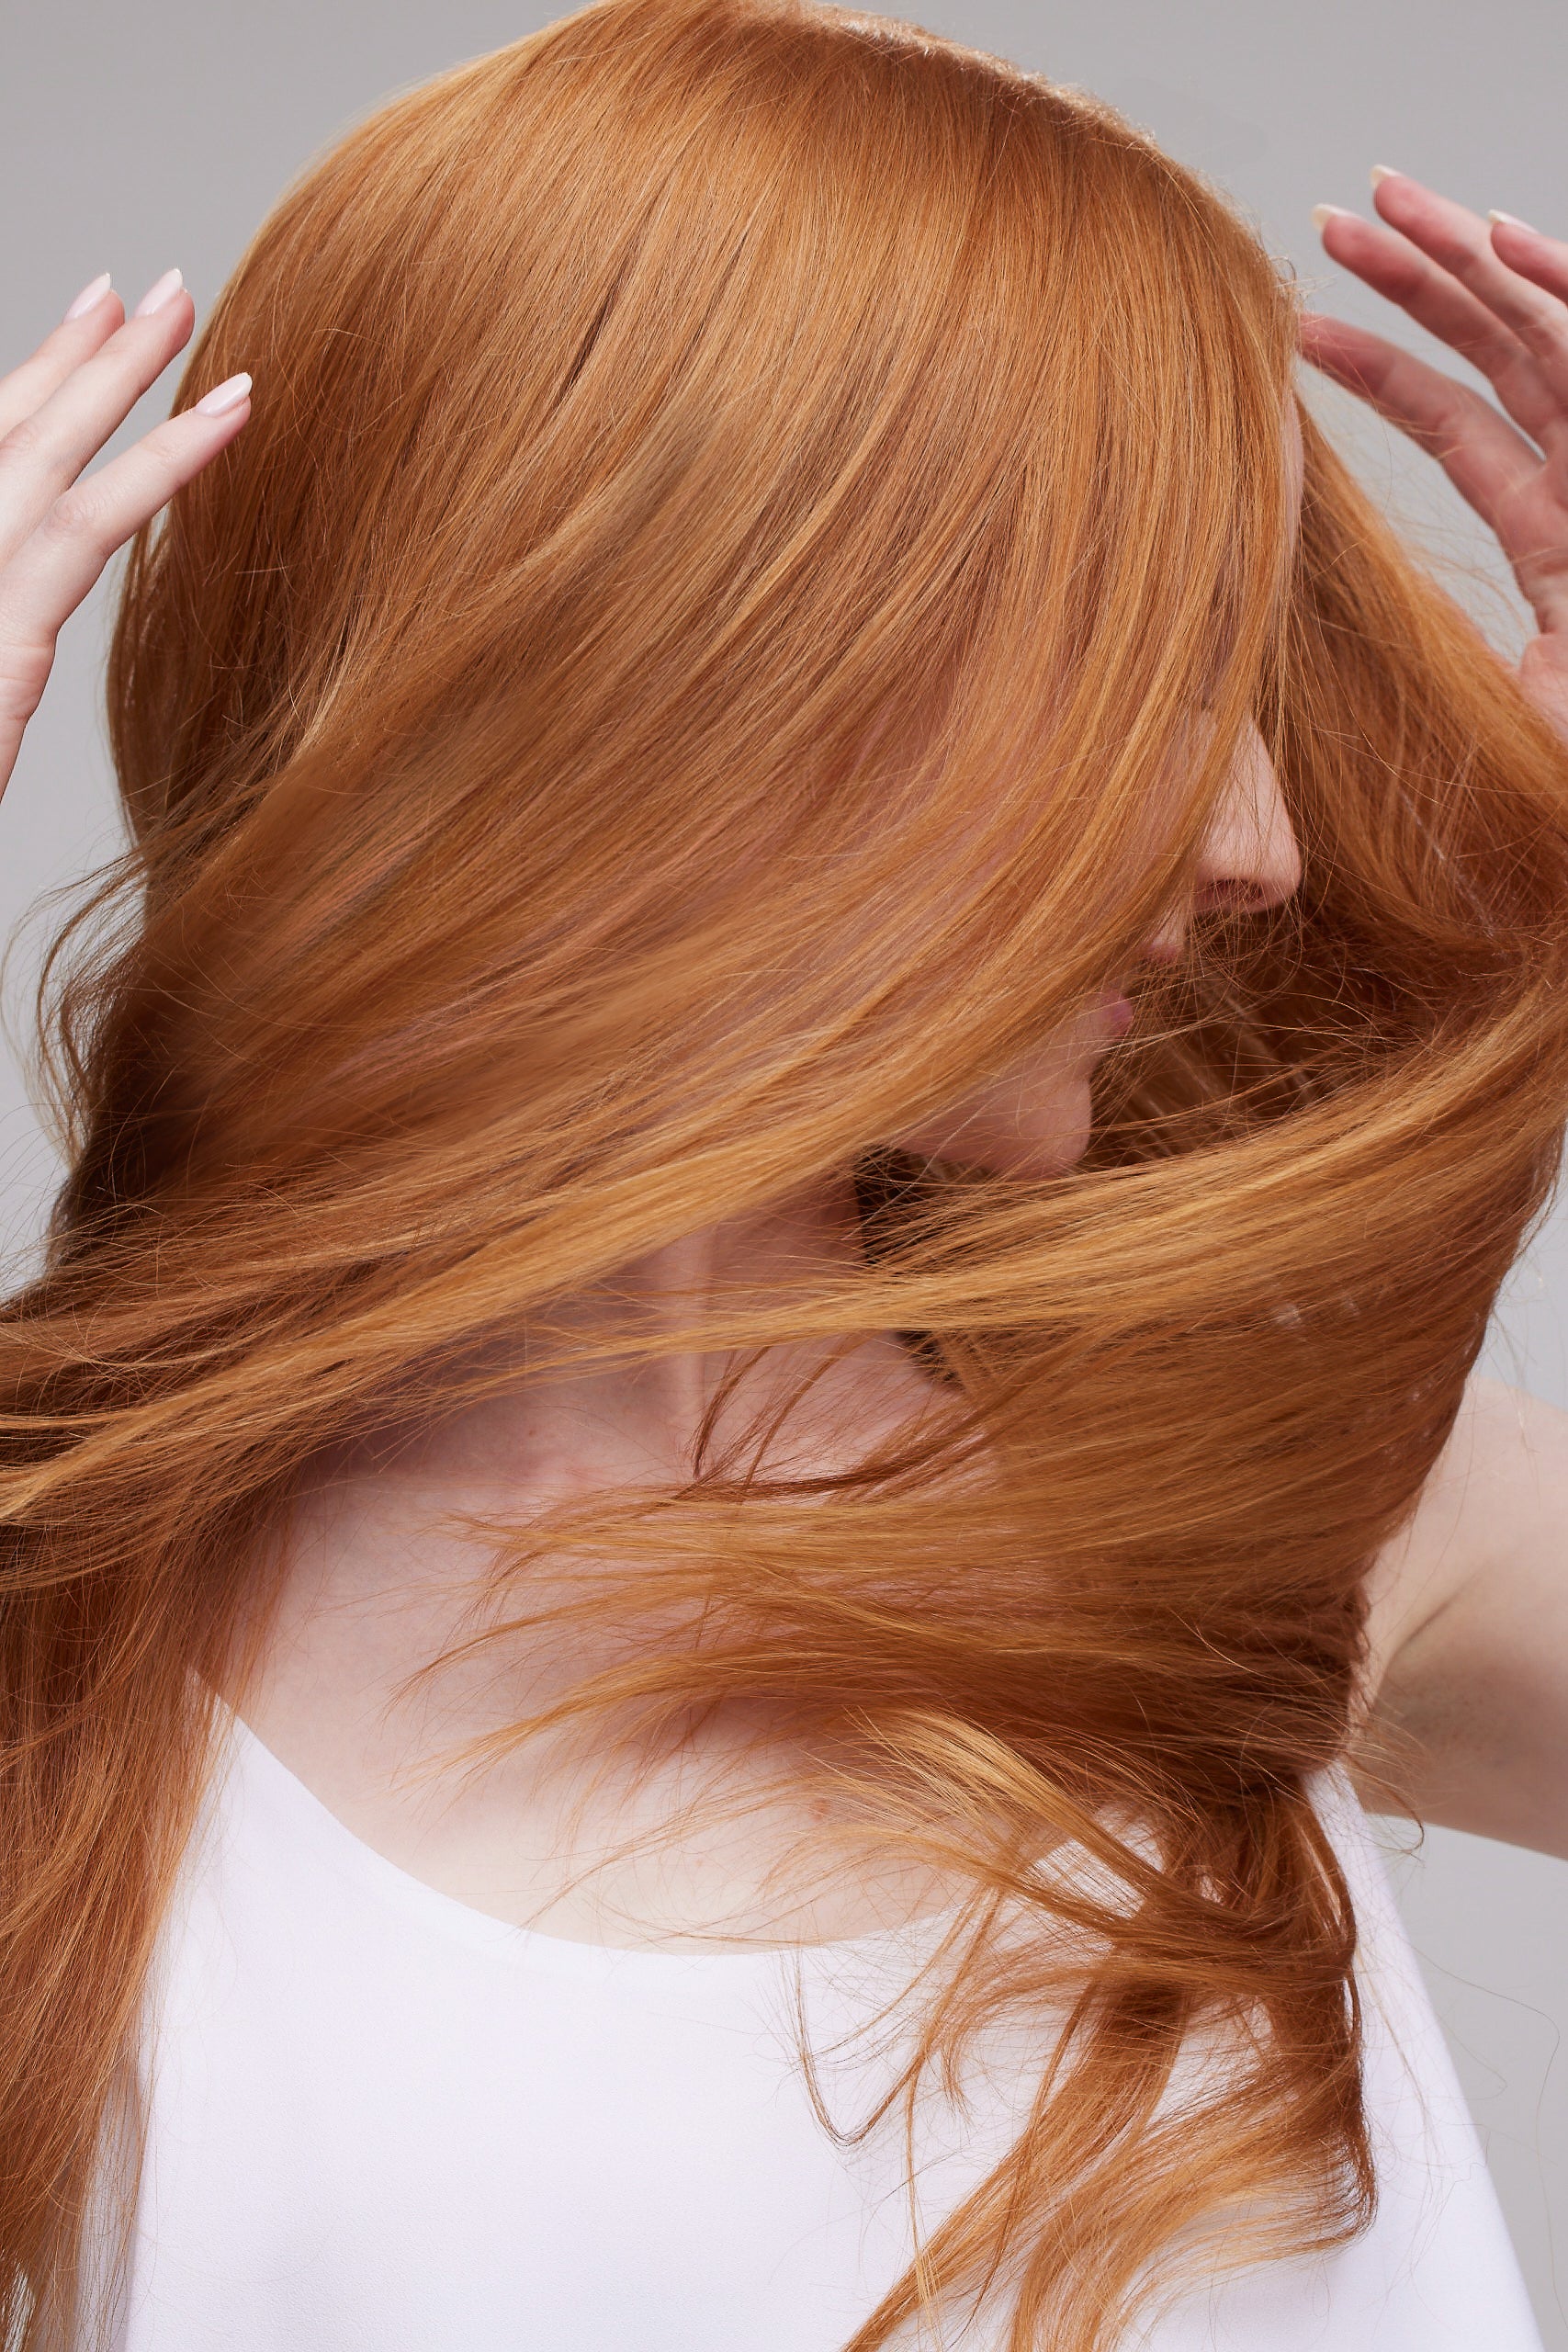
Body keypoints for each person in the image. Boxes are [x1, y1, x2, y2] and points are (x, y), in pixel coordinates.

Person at [2, 1, 1567, 2345]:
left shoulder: (1277, 1488)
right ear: (691, 671)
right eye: (1141, 669)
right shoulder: (56, 1655)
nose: (1257, 836)